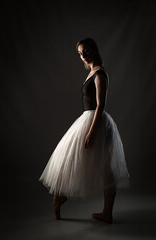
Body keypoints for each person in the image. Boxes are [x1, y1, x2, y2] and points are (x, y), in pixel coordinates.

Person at [39, 38, 130, 224]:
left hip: (96, 122)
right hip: (87, 120)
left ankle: (106, 213)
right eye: (80, 53)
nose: (83, 56)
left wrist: (92, 131)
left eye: (86, 51)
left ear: (94, 50)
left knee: (105, 169)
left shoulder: (100, 74)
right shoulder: (91, 72)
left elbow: (100, 104)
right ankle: (60, 195)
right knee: (71, 159)